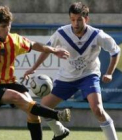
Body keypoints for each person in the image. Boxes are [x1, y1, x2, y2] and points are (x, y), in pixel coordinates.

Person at [24, 2, 120, 140]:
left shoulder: (97, 35)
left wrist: (109, 73)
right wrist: (33, 68)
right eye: (73, 19)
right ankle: (60, 132)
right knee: (43, 108)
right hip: (66, 78)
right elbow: (46, 50)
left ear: (86, 19)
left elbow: (115, 51)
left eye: (79, 20)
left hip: (89, 75)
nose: (75, 23)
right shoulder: (61, 33)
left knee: (98, 109)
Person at [0, 6, 71, 140]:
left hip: (10, 82)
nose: (7, 29)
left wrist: (53, 50)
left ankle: (59, 131)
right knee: (17, 97)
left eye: (9, 25)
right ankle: (57, 115)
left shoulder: (14, 40)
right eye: (3, 26)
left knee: (32, 112)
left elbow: (34, 45)